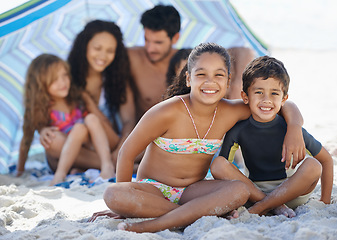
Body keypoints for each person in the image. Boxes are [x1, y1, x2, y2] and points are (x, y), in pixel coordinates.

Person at [89, 43, 306, 233]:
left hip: (194, 191)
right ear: (188, 78)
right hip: (153, 190)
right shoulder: (166, 112)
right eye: (201, 74)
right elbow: (127, 153)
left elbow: (284, 106)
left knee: (238, 190)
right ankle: (186, 216)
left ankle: (180, 216)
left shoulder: (231, 111)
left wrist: (294, 128)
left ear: (229, 81)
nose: (210, 82)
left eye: (218, 75)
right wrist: (120, 208)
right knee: (112, 194)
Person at [211, 56, 334, 217]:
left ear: (284, 99)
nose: (266, 100)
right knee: (218, 164)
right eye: (259, 92)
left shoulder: (290, 129)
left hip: (292, 194)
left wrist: (325, 200)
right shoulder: (238, 130)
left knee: (313, 165)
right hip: (254, 193)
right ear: (245, 96)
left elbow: (326, 160)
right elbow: (223, 169)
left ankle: (262, 208)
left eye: (274, 93)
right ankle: (270, 205)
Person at [128, 5, 255, 122]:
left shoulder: (187, 58)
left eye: (158, 43)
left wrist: (238, 84)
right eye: (146, 40)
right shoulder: (135, 57)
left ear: (176, 38)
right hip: (150, 129)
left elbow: (245, 51)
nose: (150, 48)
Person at [39, 20, 137, 171]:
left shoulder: (117, 79)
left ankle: (108, 163)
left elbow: (129, 121)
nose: (103, 56)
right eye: (97, 48)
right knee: (53, 141)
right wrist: (42, 129)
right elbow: (45, 109)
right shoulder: (65, 77)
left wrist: (122, 149)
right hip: (75, 145)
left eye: (110, 51)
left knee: (94, 120)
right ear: (84, 46)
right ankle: (113, 165)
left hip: (107, 144)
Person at [17, 54, 115, 185]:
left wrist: (89, 104)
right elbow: (26, 140)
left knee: (90, 119)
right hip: (59, 160)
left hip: (85, 149)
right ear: (40, 84)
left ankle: (107, 165)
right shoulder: (40, 109)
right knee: (55, 137)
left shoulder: (76, 98)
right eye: (54, 79)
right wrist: (20, 170)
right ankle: (61, 174)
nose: (62, 82)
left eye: (64, 75)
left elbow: (101, 124)